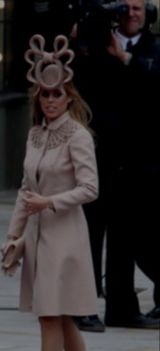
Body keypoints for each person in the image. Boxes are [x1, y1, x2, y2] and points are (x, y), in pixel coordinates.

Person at [5, 34, 110, 351]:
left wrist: (50, 203)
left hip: (65, 238)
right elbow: (24, 188)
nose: (50, 99)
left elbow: (91, 188)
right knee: (58, 320)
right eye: (45, 93)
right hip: (37, 236)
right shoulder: (35, 135)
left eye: (57, 93)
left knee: (51, 318)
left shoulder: (79, 136)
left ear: (68, 97)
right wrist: (14, 234)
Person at [70, 0, 160, 330]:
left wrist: (128, 61)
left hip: (138, 162)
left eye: (138, 8)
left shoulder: (152, 50)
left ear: (147, 13)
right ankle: (84, 307)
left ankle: (122, 308)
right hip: (94, 157)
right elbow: (71, 81)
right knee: (87, 235)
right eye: (126, 8)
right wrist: (77, 42)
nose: (131, 14)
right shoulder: (92, 44)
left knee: (125, 237)